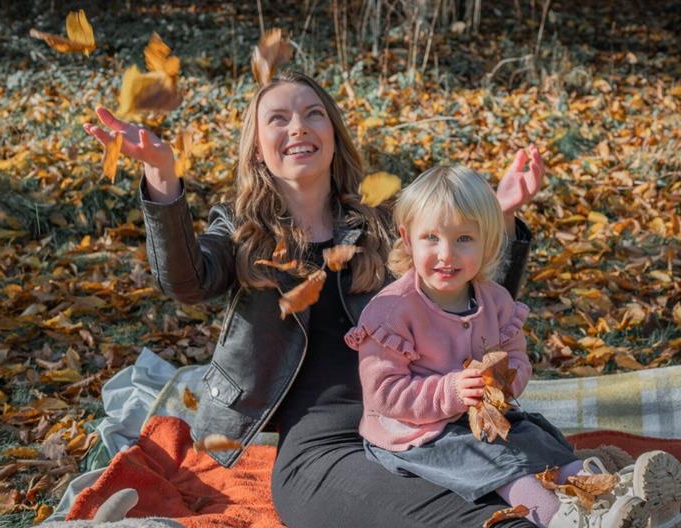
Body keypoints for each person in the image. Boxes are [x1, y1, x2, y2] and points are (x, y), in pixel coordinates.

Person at [84, 69, 548, 527]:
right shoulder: (242, 232)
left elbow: (478, 313)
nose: (298, 127)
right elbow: (186, 282)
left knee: (544, 480)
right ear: (258, 148)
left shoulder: (385, 225)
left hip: (427, 426)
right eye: (279, 118)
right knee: (480, 518)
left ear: (333, 134)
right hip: (324, 448)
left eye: (313, 114)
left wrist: (500, 218)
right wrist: (162, 177)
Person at [344, 165, 654, 528]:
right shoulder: (392, 311)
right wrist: (451, 390)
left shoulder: (495, 301)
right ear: (407, 238)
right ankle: (566, 519)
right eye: (431, 237)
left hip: (483, 419)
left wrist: (505, 382)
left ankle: (617, 499)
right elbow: (383, 394)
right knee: (504, 466)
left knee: (541, 442)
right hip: (416, 433)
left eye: (463, 239)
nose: (446, 254)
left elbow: (517, 357)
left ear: (487, 241)